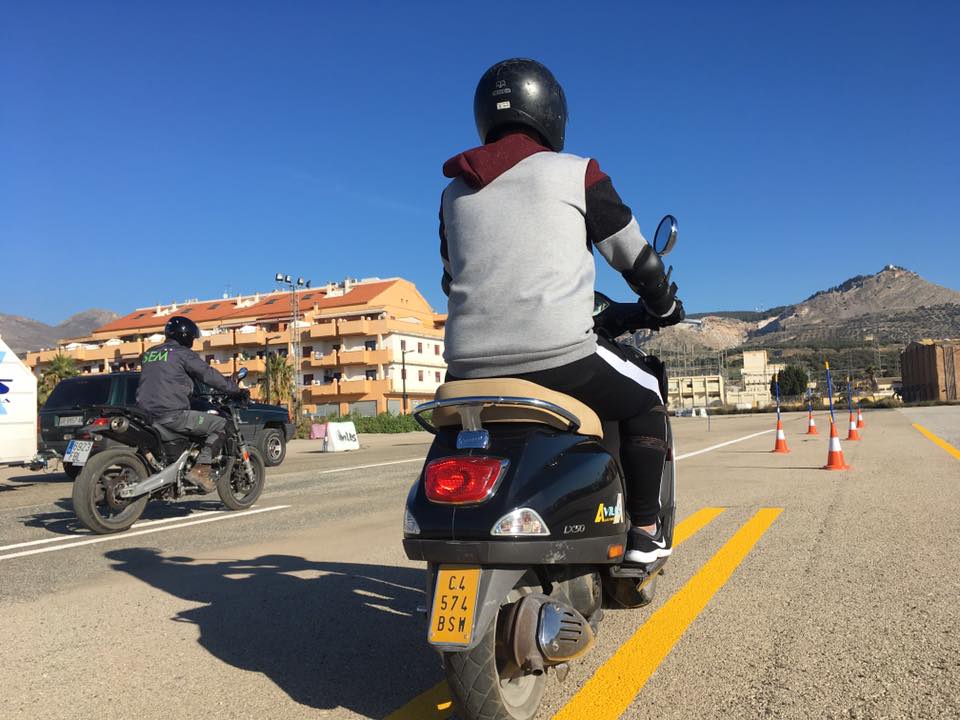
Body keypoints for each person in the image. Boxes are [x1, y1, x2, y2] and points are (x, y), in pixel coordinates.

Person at [439, 58, 686, 564]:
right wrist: (663, 301)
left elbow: (451, 276)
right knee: (646, 400)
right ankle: (644, 532)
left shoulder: (452, 193)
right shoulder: (578, 173)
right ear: (551, 113)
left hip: (465, 369)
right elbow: (634, 255)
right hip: (560, 357)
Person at [136, 316, 247, 492]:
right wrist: (233, 388)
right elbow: (207, 374)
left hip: (143, 415)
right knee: (221, 425)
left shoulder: (149, 354)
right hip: (171, 413)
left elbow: (166, 379)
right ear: (186, 336)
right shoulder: (182, 353)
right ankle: (201, 469)